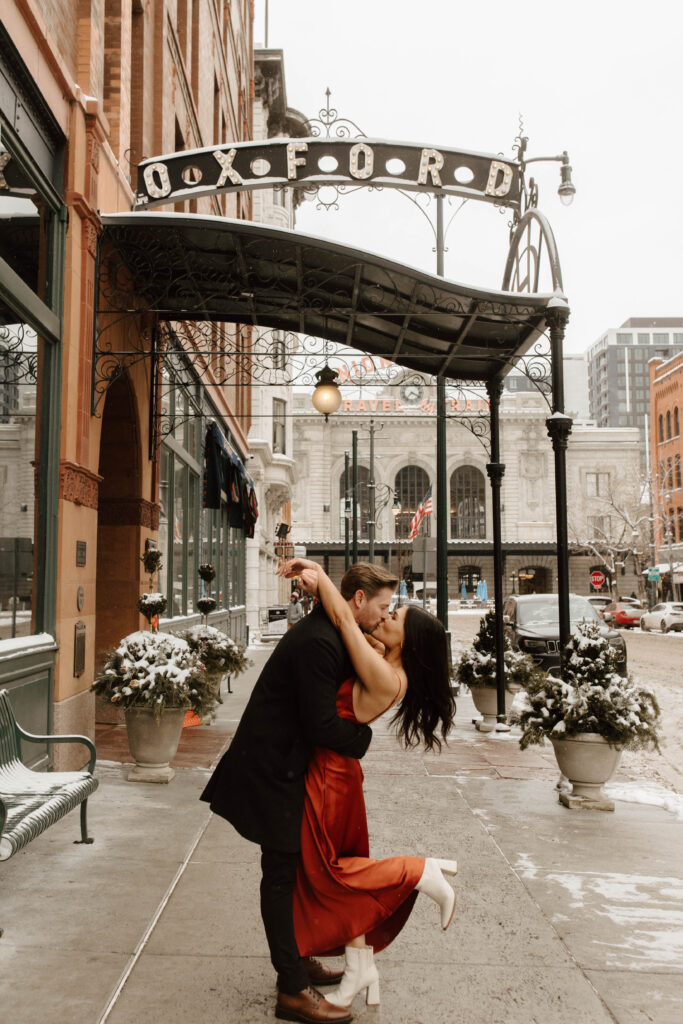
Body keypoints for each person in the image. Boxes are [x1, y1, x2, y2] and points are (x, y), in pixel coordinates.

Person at [200, 562, 399, 1024]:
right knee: (281, 875)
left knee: (292, 873)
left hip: (283, 765)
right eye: (382, 607)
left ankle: (297, 956)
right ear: (357, 601)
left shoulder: (329, 632)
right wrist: (364, 743)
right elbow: (321, 725)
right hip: (272, 769)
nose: (384, 616)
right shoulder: (318, 644)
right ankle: (291, 989)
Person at [277, 557, 457, 1013]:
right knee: (346, 869)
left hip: (329, 778)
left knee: (330, 872)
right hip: (339, 775)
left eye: (394, 617)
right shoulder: (384, 660)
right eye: (388, 609)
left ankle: (419, 872)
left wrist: (318, 573)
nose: (386, 616)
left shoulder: (384, 674)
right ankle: (360, 968)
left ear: (407, 641)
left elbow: (341, 617)